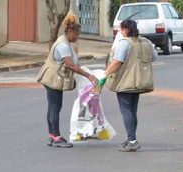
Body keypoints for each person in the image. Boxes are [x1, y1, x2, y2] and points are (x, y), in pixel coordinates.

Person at [37, 15, 98, 148]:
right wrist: (88, 75)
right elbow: (70, 65)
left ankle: (52, 136)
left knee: (53, 107)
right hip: (53, 78)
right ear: (70, 32)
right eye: (76, 34)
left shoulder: (65, 42)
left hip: (52, 77)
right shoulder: (63, 45)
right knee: (55, 107)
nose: (77, 37)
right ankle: (57, 138)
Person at [104, 19, 157, 152]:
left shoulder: (124, 43)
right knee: (132, 111)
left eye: (121, 29)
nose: (120, 32)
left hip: (125, 82)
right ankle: (131, 138)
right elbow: (154, 57)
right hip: (139, 82)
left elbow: (117, 62)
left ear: (125, 29)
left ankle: (132, 140)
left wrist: (104, 75)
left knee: (126, 111)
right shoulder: (146, 42)